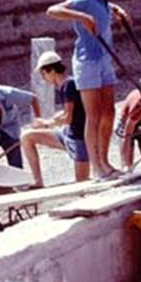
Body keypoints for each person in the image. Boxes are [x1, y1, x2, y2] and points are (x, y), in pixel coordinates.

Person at [46, 0, 131, 180]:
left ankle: (105, 161)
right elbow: (53, 10)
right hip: (87, 63)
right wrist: (81, 17)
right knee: (93, 115)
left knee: (109, 112)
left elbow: (104, 6)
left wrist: (116, 9)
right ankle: (97, 167)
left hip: (104, 58)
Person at [21, 51, 90, 188]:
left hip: (78, 138)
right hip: (67, 134)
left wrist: (47, 123)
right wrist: (49, 120)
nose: (44, 77)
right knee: (27, 137)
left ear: (51, 70)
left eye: (44, 73)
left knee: (82, 185)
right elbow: (68, 112)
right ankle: (38, 182)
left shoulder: (69, 85)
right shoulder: (64, 86)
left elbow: (68, 117)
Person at [115, 88, 141, 172]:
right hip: (127, 120)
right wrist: (126, 165)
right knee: (128, 160)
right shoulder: (140, 104)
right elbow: (127, 134)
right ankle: (128, 170)